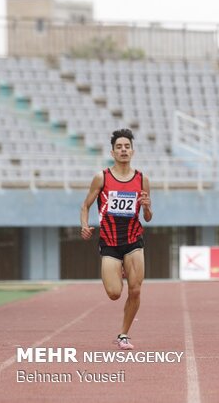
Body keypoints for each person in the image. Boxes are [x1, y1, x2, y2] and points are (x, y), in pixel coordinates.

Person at [80, 128, 152, 350]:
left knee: (136, 290)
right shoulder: (102, 177)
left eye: (127, 146)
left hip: (133, 241)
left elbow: (147, 217)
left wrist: (148, 208)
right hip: (110, 242)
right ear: (112, 152)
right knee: (114, 293)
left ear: (133, 151)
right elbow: (85, 206)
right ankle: (117, 268)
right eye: (119, 147)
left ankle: (123, 334)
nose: (123, 150)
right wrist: (84, 225)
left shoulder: (142, 179)